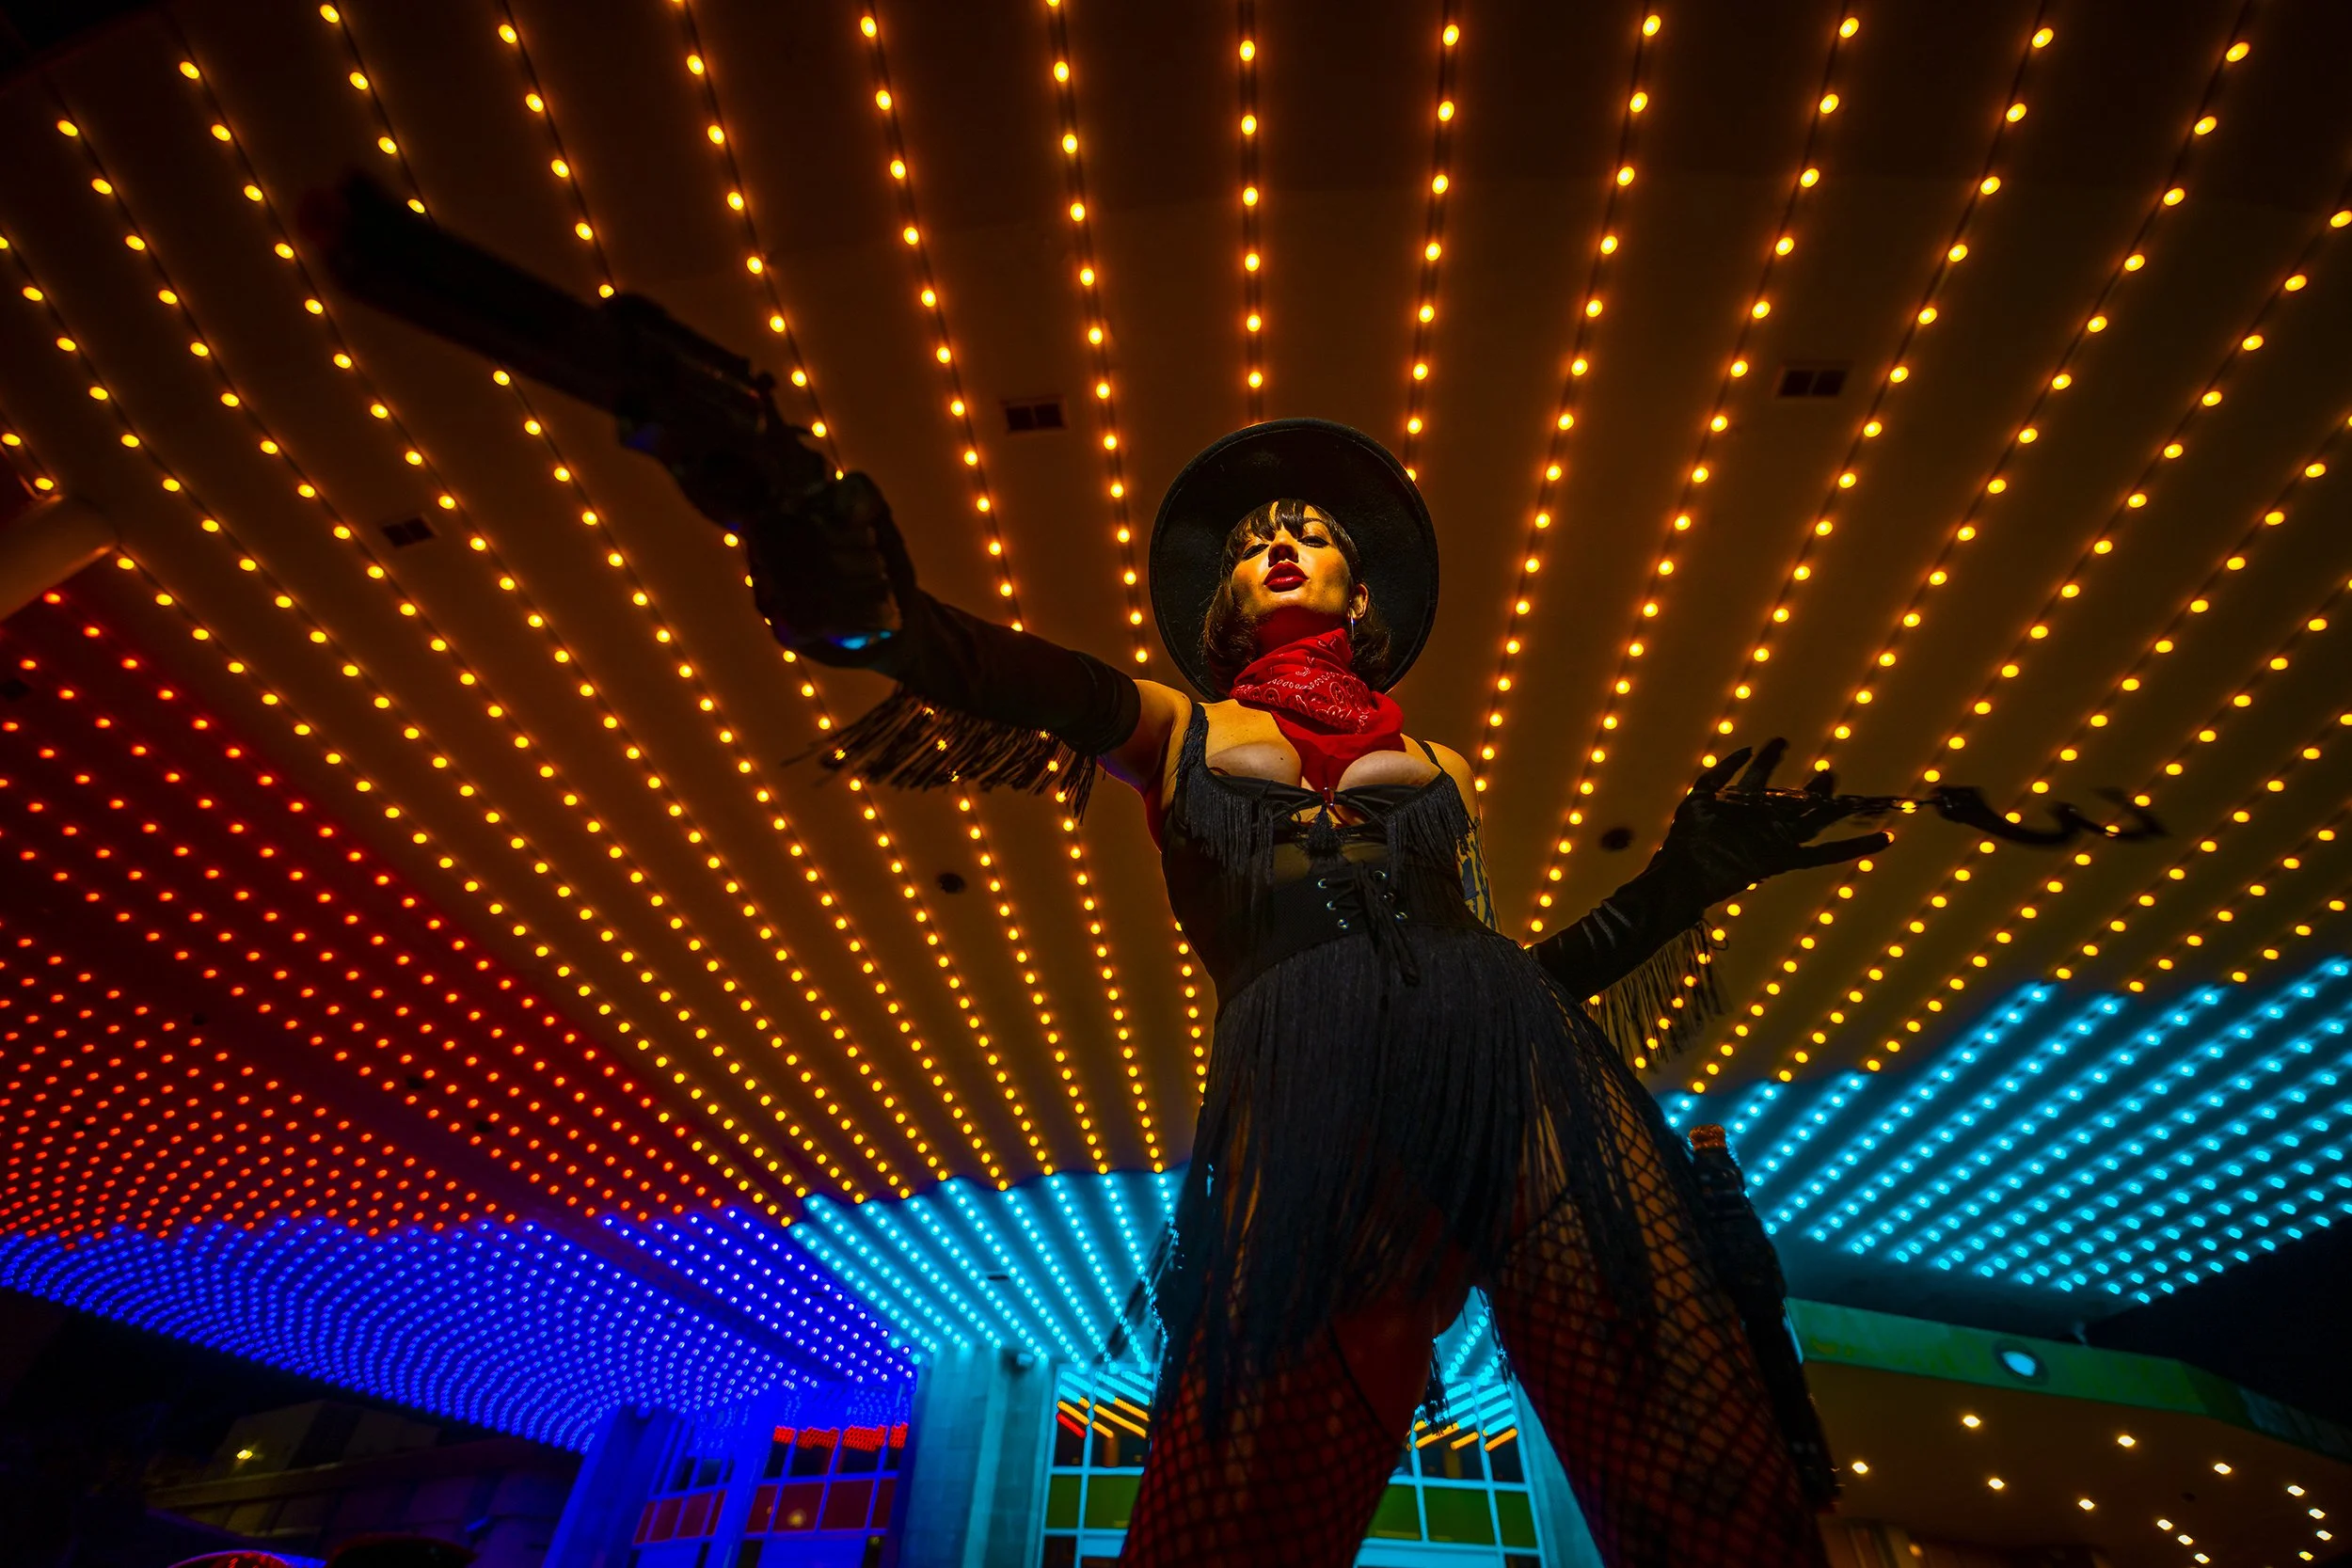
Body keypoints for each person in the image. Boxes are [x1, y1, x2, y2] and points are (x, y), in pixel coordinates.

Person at [723, 419, 1886, 1567]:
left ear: (1358, 592)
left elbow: (1483, 971)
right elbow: (1003, 674)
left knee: (1710, 1492)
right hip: (1306, 1094)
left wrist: (1673, 887)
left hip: (1520, 1067)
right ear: (1224, 602)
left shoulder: (1443, 764)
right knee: (1228, 1522)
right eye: (1250, 543)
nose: (1278, 545)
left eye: (1310, 533)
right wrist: (875, 614)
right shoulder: (1176, 725)